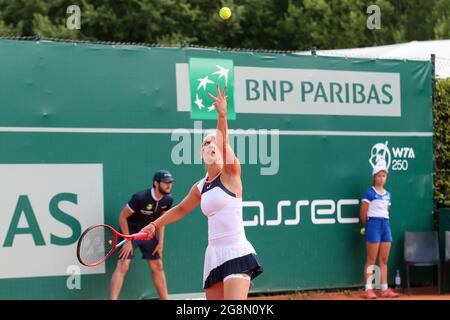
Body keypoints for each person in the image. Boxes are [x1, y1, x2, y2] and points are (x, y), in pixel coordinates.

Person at [141, 84, 263, 300]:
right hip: (214, 255)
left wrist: (222, 116)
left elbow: (223, 141)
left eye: (214, 142)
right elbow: (179, 209)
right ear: (201, 152)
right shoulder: (200, 186)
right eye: (206, 142)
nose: (210, 145)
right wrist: (154, 225)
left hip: (236, 251)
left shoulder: (231, 173)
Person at [109, 170, 175, 300]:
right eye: (166, 182)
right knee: (123, 265)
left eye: (171, 183)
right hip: (131, 232)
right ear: (156, 183)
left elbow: (162, 220)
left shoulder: (168, 199)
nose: (169, 185)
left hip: (148, 233)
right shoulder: (140, 198)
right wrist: (128, 241)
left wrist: (160, 242)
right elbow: (123, 217)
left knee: (157, 265)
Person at [360, 162, 399, 299]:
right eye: (379, 176)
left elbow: (386, 212)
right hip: (373, 225)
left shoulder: (388, 194)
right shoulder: (369, 192)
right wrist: (369, 226)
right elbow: (363, 214)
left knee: (383, 260)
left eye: (384, 175)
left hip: (385, 225)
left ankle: (384, 289)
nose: (381, 178)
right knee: (371, 259)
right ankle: (368, 289)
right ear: (374, 177)